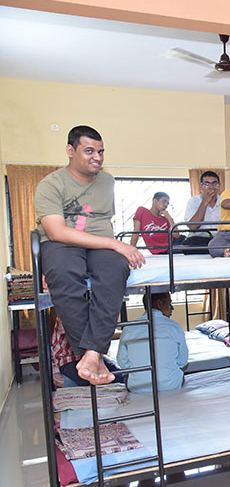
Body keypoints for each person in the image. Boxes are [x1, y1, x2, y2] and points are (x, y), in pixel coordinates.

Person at [34, 125, 145, 385]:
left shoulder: (107, 181)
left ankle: (91, 355)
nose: (97, 157)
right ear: (70, 151)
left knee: (116, 269)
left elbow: (103, 221)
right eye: (89, 151)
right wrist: (117, 244)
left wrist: (114, 246)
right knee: (64, 274)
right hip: (61, 242)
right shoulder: (51, 184)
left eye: (101, 151)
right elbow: (56, 231)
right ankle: (93, 354)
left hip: (100, 245)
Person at [116, 292, 189, 393]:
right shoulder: (174, 327)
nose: (172, 308)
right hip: (171, 386)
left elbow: (123, 364)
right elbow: (182, 362)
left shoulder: (128, 328)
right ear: (159, 304)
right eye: (169, 303)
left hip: (137, 388)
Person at [182, 170, 222, 252]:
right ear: (201, 186)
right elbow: (193, 227)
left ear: (219, 186)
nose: (211, 187)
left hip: (218, 240)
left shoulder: (224, 201)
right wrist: (204, 203)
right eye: (207, 184)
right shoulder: (193, 201)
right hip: (198, 239)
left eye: (214, 183)